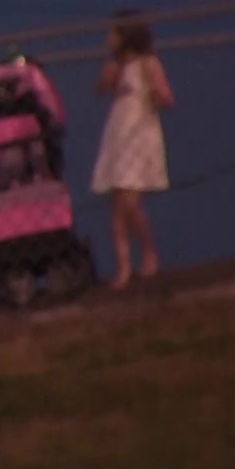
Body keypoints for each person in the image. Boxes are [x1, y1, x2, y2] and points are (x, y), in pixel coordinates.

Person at [91, 14, 174, 288]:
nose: (109, 39)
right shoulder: (117, 67)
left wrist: (156, 94)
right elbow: (100, 91)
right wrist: (106, 79)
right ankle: (124, 266)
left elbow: (165, 96)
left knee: (130, 201)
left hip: (140, 135)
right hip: (119, 134)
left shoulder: (147, 64)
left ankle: (149, 251)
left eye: (114, 33)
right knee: (116, 206)